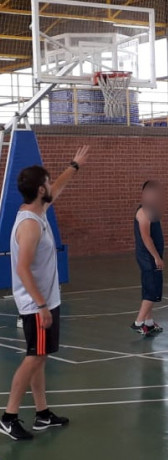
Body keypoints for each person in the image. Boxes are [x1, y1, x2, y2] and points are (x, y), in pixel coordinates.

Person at [0, 146, 89, 441]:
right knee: (34, 357)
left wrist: (74, 166)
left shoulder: (38, 210)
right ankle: (9, 416)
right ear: (40, 189)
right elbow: (23, 268)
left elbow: (58, 187)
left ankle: (42, 413)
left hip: (46, 301)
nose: (53, 186)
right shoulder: (30, 225)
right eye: (48, 183)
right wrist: (41, 305)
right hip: (37, 305)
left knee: (40, 356)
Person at [131, 180, 165, 336]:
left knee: (150, 289)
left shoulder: (151, 211)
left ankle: (149, 323)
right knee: (152, 291)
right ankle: (138, 322)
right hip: (148, 257)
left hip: (150, 257)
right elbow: (146, 237)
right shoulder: (143, 212)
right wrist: (156, 257)